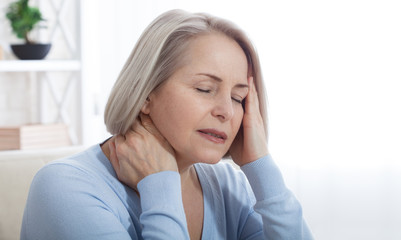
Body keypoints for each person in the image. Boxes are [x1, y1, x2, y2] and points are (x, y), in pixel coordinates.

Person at [20, 9, 313, 240]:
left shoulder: (229, 186)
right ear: (146, 92)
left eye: (238, 97)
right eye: (204, 89)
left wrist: (261, 166)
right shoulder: (64, 187)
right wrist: (160, 188)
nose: (227, 111)